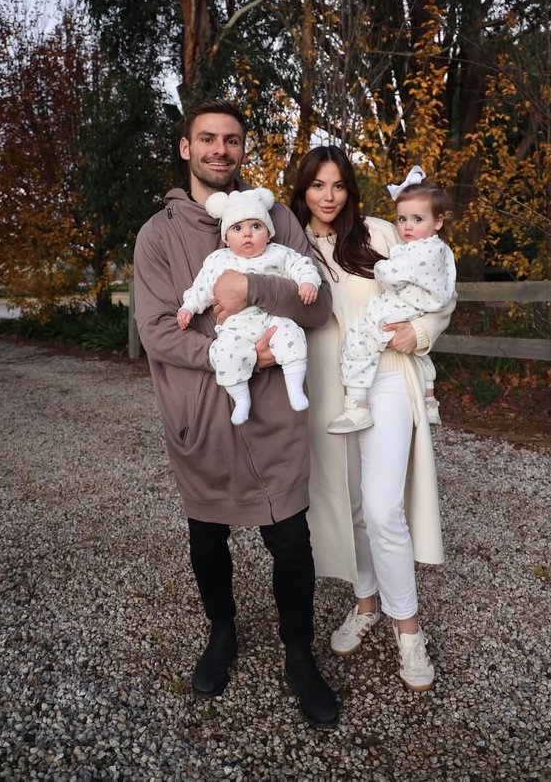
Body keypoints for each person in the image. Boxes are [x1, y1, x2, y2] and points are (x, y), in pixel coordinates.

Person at [133, 99, 338, 729]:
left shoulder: (273, 215)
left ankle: (299, 653)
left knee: (291, 539)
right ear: (186, 148)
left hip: (273, 412)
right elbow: (159, 330)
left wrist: (254, 290)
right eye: (208, 139)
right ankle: (222, 631)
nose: (221, 150)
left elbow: (319, 300)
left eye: (232, 141)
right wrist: (243, 353)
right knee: (208, 537)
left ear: (243, 150)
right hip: (200, 412)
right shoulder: (158, 236)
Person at [290, 146, 456, 692]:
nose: (328, 196)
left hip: (384, 375)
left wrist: (423, 332)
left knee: (384, 507)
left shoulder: (384, 232)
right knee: (349, 501)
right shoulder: (291, 243)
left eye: (338, 186)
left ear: (352, 191)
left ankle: (408, 631)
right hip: (324, 386)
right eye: (318, 186)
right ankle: (365, 603)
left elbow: (439, 287)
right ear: (304, 190)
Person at [327, 165, 456, 433]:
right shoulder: (435, 248)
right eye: (402, 220)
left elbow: (392, 274)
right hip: (414, 306)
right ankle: (430, 399)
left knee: (360, 338)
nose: (407, 227)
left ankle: (357, 404)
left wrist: (381, 267)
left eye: (417, 220)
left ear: (438, 222)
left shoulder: (408, 245)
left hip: (399, 323)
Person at [177, 186, 321, 425]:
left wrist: (307, 283)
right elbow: (201, 287)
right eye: (237, 228)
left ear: (268, 232)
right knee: (223, 351)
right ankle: (241, 399)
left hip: (272, 319)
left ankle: (295, 387)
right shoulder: (218, 260)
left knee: (291, 333)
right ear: (226, 236)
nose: (247, 234)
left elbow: (303, 266)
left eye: (256, 226)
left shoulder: (279, 253)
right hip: (236, 326)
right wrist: (188, 308)